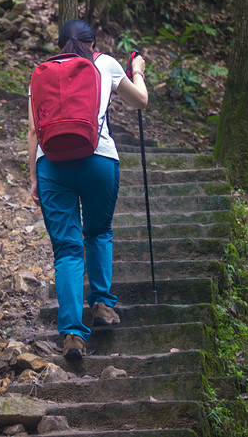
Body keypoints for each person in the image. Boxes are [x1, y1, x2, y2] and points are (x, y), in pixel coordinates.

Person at [27, 19, 148, 360]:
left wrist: (34, 177)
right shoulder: (105, 63)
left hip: (51, 165)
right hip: (98, 161)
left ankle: (72, 337)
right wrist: (137, 69)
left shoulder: (42, 73)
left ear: (60, 43)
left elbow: (34, 133)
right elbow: (140, 101)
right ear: (93, 43)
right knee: (97, 231)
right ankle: (103, 306)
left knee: (67, 249)